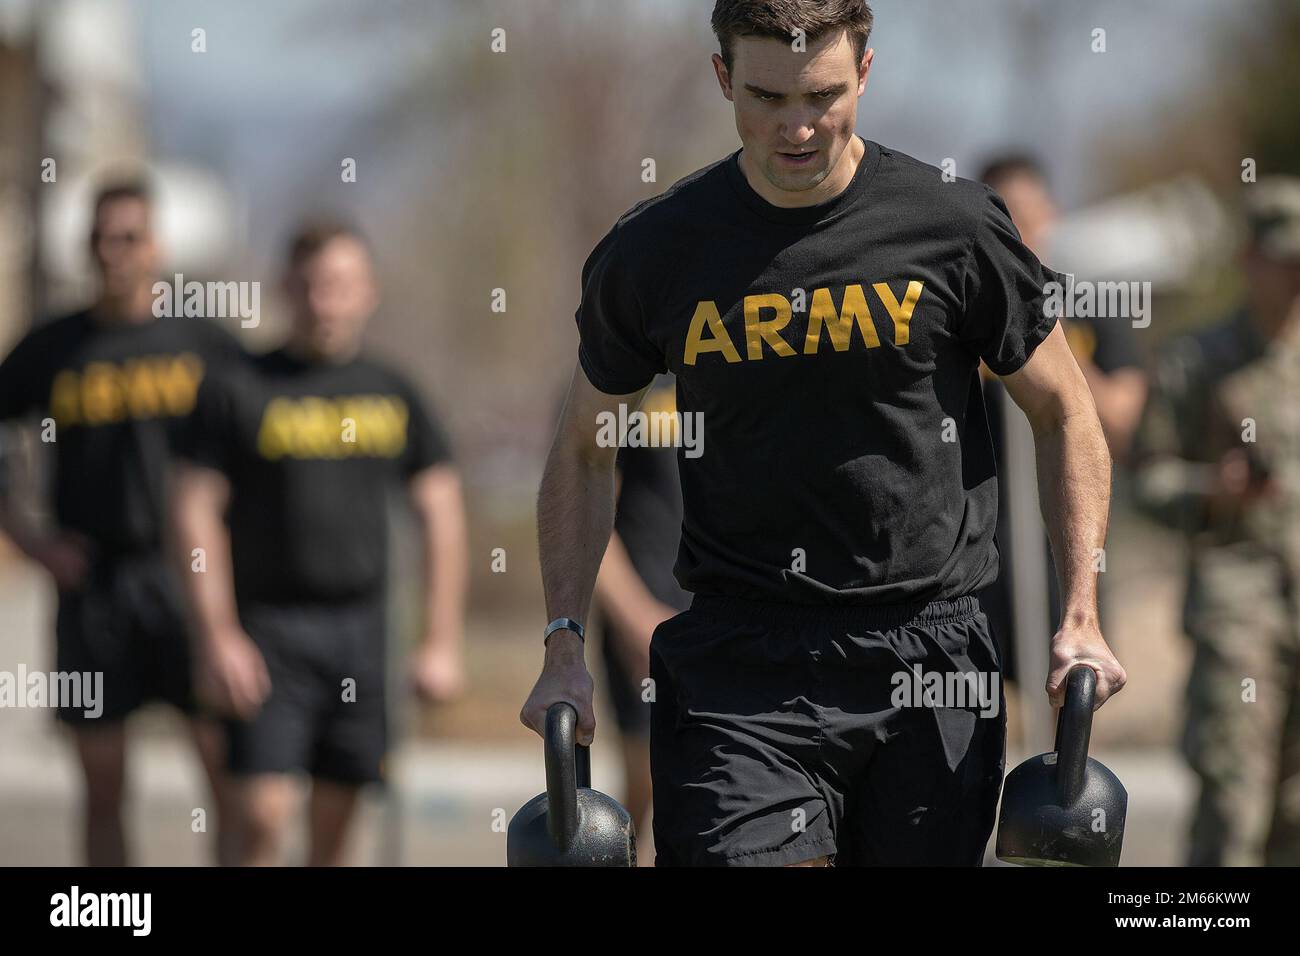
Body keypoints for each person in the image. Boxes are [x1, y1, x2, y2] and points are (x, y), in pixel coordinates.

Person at [521, 0, 1125, 867]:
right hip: (742, 662)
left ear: (866, 72)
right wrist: (564, 641)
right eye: (767, 97)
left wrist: (1081, 613)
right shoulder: (657, 251)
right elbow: (584, 448)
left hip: (933, 652)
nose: (798, 127)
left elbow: (1065, 409)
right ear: (723, 76)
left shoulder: (954, 226)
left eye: (824, 95)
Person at [171, 221, 468, 865]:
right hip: (265, 631)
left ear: (368, 292)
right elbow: (193, 512)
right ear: (285, 288)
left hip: (362, 635)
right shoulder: (236, 387)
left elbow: (441, 511)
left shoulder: (393, 390)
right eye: (308, 285)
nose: (323, 301)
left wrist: (440, 641)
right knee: (260, 815)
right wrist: (216, 633)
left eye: (338, 285)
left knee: (336, 828)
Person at [0, 178, 242, 865]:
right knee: (103, 789)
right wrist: (32, 543)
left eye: (130, 237)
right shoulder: (53, 347)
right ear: (86, 248)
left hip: (190, 586)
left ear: (157, 247)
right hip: (94, 587)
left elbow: (254, 451)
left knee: (227, 777)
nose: (116, 253)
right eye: (103, 239)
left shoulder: (206, 344)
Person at [1131, 176, 1300, 866]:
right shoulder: (1197, 359)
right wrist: (1213, 491)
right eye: (1283, 263)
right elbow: (1146, 477)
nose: (1293, 280)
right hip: (1239, 608)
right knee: (1233, 807)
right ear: (1250, 260)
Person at [975, 155, 1147, 682]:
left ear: (1051, 214)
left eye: (1028, 214)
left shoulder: (1090, 302)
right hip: (983, 547)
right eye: (1004, 217)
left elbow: (1124, 419)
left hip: (1064, 544)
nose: (1019, 232)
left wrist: (1054, 358)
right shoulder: (964, 310)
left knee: (1068, 687)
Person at [591, 372, 692, 856]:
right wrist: (636, 620)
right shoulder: (617, 378)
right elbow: (586, 514)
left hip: (733, 616)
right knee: (648, 790)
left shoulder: (744, 361)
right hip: (646, 624)